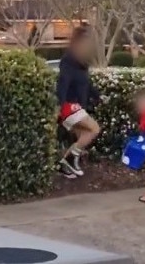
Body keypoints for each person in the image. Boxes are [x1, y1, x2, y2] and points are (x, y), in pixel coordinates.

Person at [56, 26, 102, 178]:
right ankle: (70, 158)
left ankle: (64, 164)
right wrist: (60, 104)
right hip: (69, 105)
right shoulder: (68, 59)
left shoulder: (82, 62)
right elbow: (63, 82)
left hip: (78, 106)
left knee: (84, 135)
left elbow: (87, 85)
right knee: (94, 129)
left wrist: (98, 97)